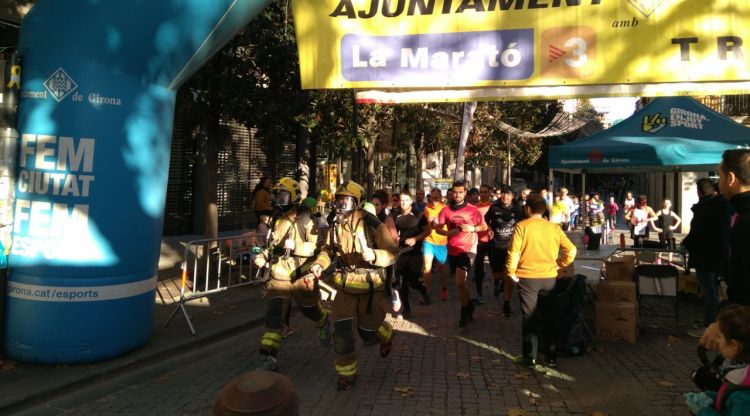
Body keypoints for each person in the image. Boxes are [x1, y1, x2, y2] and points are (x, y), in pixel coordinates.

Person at [309, 181, 399, 391]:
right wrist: (318, 264)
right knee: (341, 332)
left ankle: (386, 334)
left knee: (368, 331)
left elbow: (393, 253)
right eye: (339, 199)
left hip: (369, 288)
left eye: (346, 200)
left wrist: (374, 255)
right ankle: (346, 374)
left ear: (357, 202)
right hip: (343, 286)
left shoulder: (374, 224)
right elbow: (327, 250)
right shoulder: (336, 225)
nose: (341, 204)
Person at [253, 178, 330, 371]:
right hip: (280, 274)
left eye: (284, 196)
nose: (280, 200)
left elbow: (316, 246)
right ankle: (270, 355)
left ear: (294, 197)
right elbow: (272, 245)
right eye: (278, 196)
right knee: (275, 312)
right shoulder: (276, 218)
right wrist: (262, 256)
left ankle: (322, 321)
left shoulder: (305, 219)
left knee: (308, 309)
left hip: (301, 274)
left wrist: (297, 246)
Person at [506, 193, 576, 368]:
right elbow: (572, 250)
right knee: (549, 317)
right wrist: (560, 264)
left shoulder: (522, 226)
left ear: (527, 209)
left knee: (530, 317)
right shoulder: (554, 228)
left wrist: (511, 271)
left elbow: (514, 252)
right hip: (549, 276)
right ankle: (550, 356)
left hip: (528, 277)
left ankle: (530, 357)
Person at [435, 181, 488, 327]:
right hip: (453, 249)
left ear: (465, 193)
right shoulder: (445, 211)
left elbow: (483, 226)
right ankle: (469, 305)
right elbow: (437, 228)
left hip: (468, 248)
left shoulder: (472, 210)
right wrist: (447, 232)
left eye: (460, 192)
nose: (457, 195)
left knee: (460, 281)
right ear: (451, 193)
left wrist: (472, 228)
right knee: (460, 284)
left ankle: (465, 312)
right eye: (454, 192)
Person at [683, 178, 731, 337]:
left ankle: (709, 326)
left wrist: (685, 244)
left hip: (705, 257)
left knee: (710, 293)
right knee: (712, 292)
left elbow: (696, 234)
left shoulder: (705, 209)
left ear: (700, 192)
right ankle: (711, 322)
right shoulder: (721, 207)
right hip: (718, 256)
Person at [684, 304, 750, 416]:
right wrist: (712, 397)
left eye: (719, 336)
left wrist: (702, 411)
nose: (716, 340)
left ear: (734, 345)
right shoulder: (740, 374)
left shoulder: (744, 396)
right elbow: (730, 399)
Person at [485, 184, 525, 317]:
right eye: (503, 193)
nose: (504, 196)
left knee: (509, 276)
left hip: (512, 247)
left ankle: (506, 302)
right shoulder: (494, 207)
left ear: (512, 196)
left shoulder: (519, 209)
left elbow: (525, 224)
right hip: (496, 246)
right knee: (497, 274)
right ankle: (498, 281)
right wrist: (489, 229)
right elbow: (485, 222)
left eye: (507, 194)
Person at [394, 191, 431, 317]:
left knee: (413, 282)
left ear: (411, 201)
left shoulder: (418, 215)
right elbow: (391, 231)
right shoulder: (395, 214)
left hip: (415, 253)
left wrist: (415, 239)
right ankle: (407, 309)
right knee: (401, 281)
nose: (403, 203)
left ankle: (423, 291)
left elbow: (428, 231)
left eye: (406, 200)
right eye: (401, 200)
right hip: (401, 253)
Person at [422, 188, 451, 302]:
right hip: (428, 241)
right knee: (426, 268)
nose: (434, 200)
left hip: (441, 242)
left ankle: (444, 288)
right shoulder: (427, 208)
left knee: (441, 267)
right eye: (432, 198)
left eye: (436, 198)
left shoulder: (445, 208)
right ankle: (426, 292)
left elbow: (448, 224)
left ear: (440, 197)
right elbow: (425, 224)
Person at [471, 185, 494, 304]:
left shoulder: (494, 206)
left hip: (493, 241)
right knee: (478, 267)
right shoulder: (475, 208)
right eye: (481, 192)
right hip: (479, 241)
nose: (483, 194)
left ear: (490, 192)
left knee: (495, 267)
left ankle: (497, 285)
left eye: (485, 192)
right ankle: (479, 294)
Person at [252, 177, 274, 247]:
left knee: (264, 229)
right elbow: (260, 203)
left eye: (270, 182)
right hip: (262, 212)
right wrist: (270, 208)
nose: (269, 184)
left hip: (265, 212)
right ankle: (262, 244)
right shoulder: (261, 192)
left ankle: (263, 243)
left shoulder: (265, 191)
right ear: (263, 183)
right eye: (267, 182)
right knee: (263, 228)